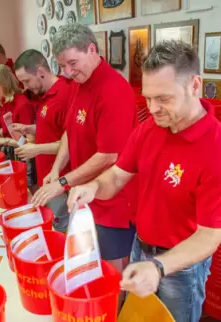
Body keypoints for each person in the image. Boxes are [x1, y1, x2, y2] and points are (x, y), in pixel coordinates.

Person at [67, 40, 221, 322]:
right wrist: (93, 187)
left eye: (163, 98)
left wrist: (159, 267)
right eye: (148, 98)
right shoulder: (150, 128)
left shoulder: (215, 147)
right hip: (141, 246)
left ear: (195, 86)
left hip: (180, 266)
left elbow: (210, 235)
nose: (152, 108)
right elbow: (116, 175)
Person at [31, 23, 137, 272]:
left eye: (72, 63)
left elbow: (109, 155)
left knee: (112, 270)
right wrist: (56, 169)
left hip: (112, 200)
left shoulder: (113, 90)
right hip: (86, 194)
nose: (67, 72)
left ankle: (116, 311)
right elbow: (69, 130)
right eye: (62, 66)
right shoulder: (79, 84)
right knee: (92, 261)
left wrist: (64, 182)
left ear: (92, 49)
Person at [11, 49, 73, 230]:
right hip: (46, 177)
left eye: (26, 80)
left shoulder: (64, 95)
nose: (25, 86)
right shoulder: (44, 95)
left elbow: (70, 142)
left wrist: (36, 149)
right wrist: (29, 129)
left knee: (61, 229)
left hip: (60, 180)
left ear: (40, 72)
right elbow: (53, 129)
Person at [0, 64, 36, 189]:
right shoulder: (5, 102)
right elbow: (6, 130)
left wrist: (4, 140)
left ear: (3, 83)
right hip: (12, 155)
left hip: (24, 158)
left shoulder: (22, 104)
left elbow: (30, 142)